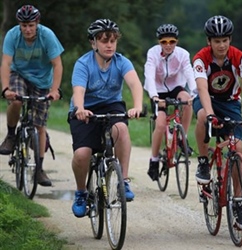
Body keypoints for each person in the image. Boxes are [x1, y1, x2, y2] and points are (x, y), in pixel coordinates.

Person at [68, 19, 143, 218]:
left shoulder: (121, 62)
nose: (109, 45)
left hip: (111, 105)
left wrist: (137, 106)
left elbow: (135, 85)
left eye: (112, 40)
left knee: (121, 129)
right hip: (85, 108)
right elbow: (79, 91)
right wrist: (80, 109)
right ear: (93, 43)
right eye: (103, 41)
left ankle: (123, 182)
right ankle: (81, 193)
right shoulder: (83, 64)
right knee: (82, 154)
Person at [192, 15, 242, 230]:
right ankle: (203, 162)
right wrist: (210, 114)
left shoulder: (240, 57)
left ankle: (238, 203)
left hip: (230, 103)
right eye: (216, 41)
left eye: (225, 40)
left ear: (230, 39)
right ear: (209, 42)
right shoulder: (201, 59)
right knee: (202, 116)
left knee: (237, 147)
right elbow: (202, 89)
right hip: (207, 101)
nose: (221, 45)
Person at [0, 5, 64, 186]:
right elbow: (5, 63)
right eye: (24, 25)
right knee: (17, 99)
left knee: (39, 126)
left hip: (43, 81)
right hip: (18, 75)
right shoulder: (12, 36)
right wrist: (6, 89)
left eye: (31, 25)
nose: (27, 29)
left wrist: (54, 90)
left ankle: (39, 169)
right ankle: (11, 135)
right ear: (19, 25)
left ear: (37, 23)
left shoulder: (47, 36)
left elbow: (57, 65)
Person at [144, 24, 197, 181]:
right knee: (160, 125)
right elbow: (149, 75)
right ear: (159, 42)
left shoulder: (183, 54)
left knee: (187, 100)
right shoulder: (152, 53)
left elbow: (189, 73)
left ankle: (182, 138)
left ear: (176, 42)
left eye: (172, 41)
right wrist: (154, 96)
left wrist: (194, 92)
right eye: (164, 42)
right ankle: (154, 160)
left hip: (175, 87)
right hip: (158, 90)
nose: (168, 45)